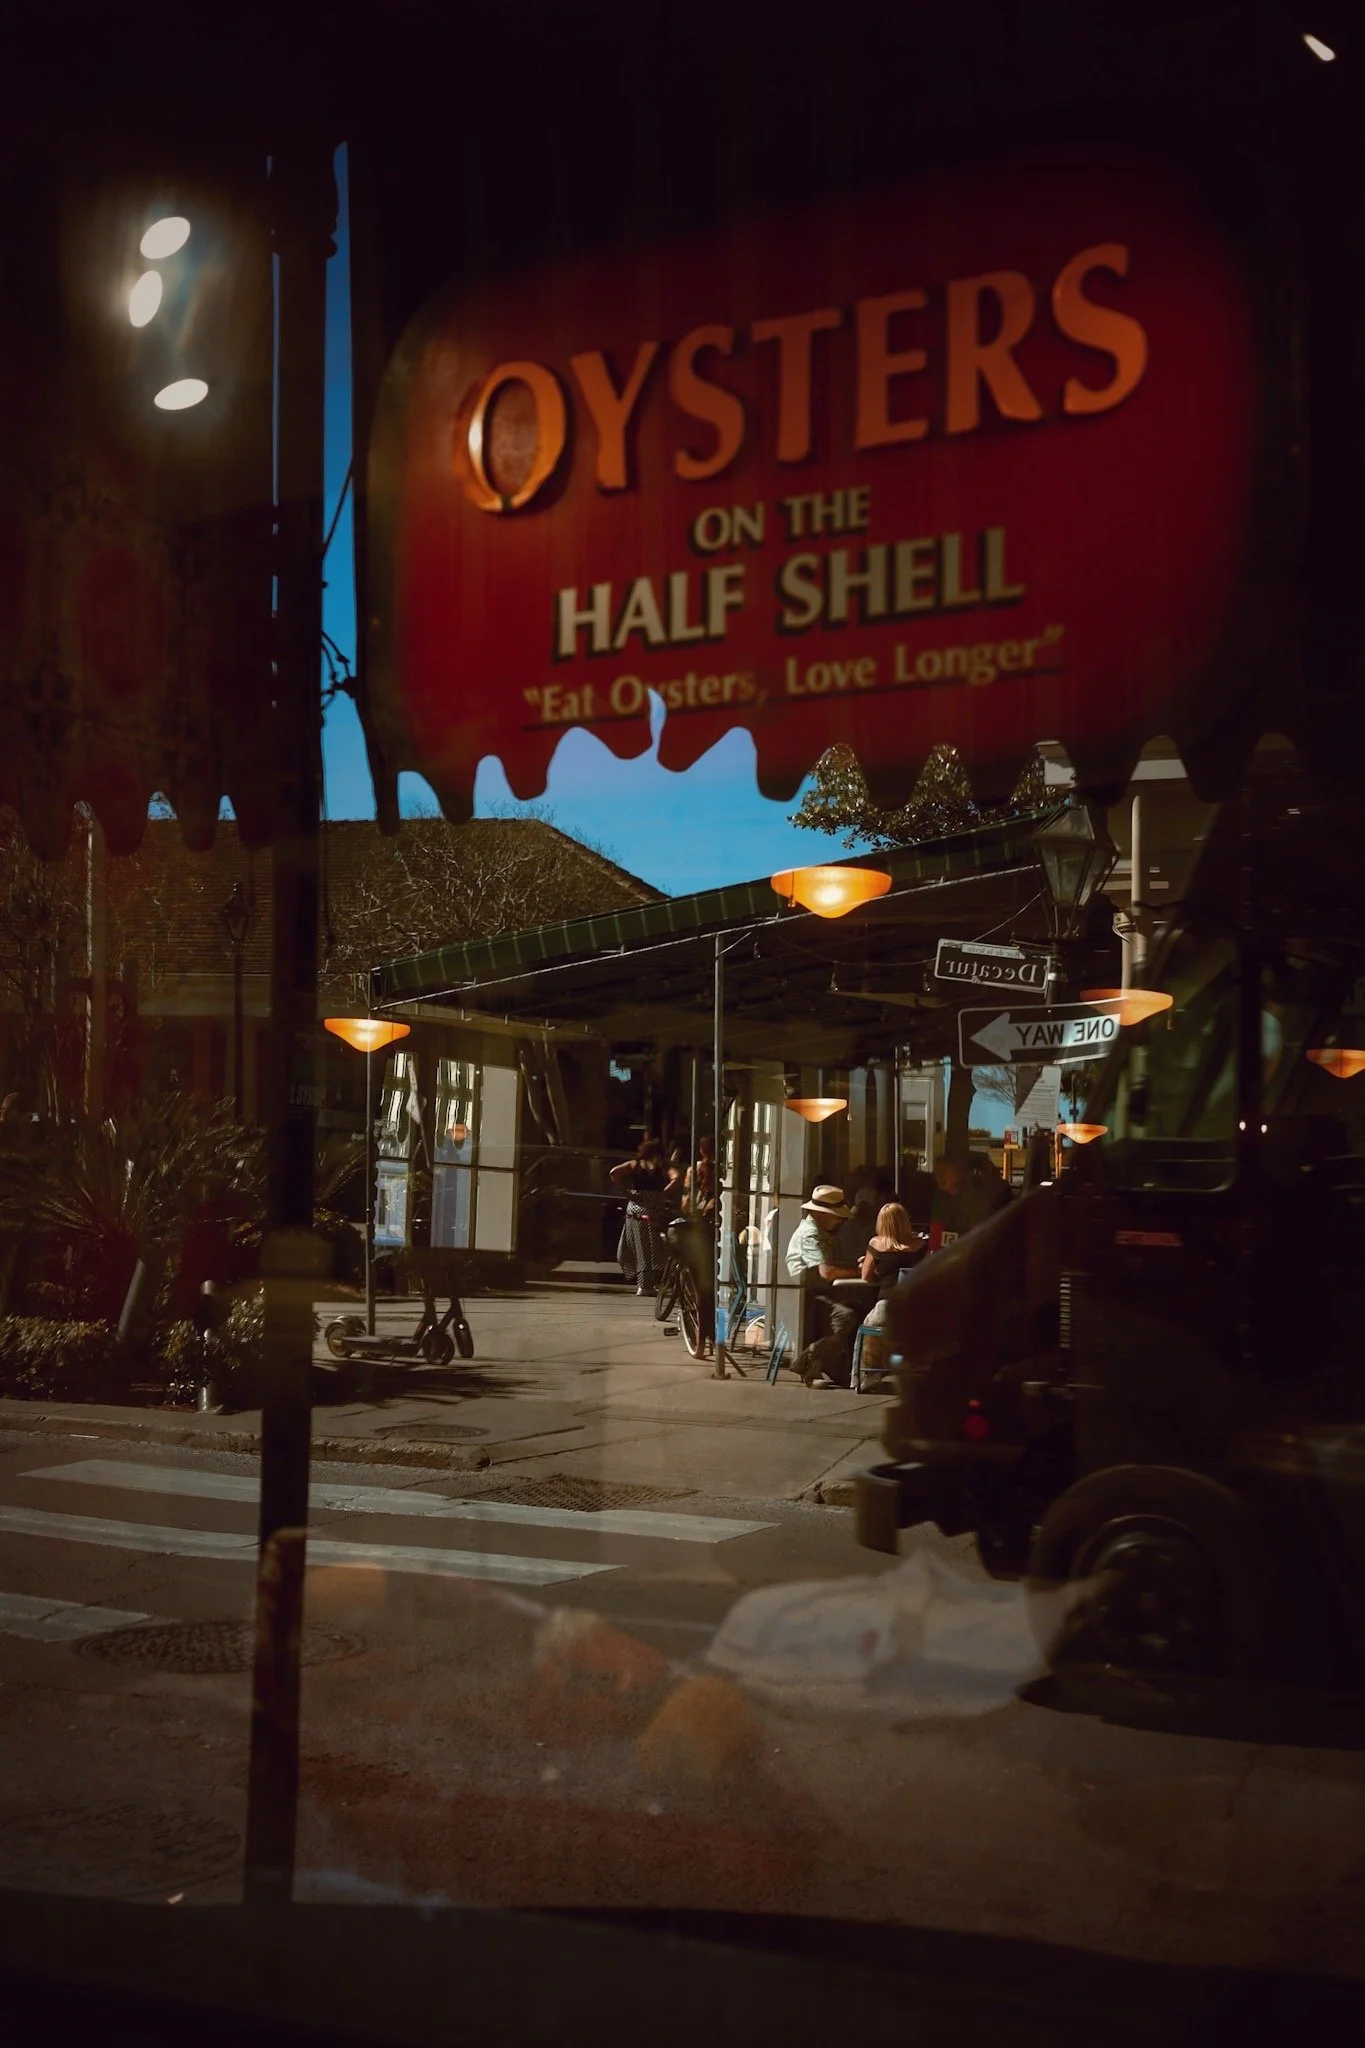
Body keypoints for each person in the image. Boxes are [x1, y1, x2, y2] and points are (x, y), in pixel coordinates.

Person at [785, 1184, 873, 1388]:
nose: (839, 1219)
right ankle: (810, 1362)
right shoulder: (810, 1234)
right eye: (835, 1215)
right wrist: (858, 1272)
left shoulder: (822, 1232)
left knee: (858, 1310)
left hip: (819, 1293)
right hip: (806, 1296)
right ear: (820, 1214)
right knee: (846, 1314)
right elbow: (826, 1272)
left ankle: (835, 1364)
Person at [610, 1136, 668, 1294]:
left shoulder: (634, 1164)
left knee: (638, 1246)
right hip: (652, 1209)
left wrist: (625, 1191)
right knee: (652, 1247)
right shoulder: (660, 1166)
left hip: (634, 1208)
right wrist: (663, 1194)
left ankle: (643, 1284)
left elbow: (613, 1172)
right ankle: (646, 1285)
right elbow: (677, 1176)